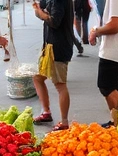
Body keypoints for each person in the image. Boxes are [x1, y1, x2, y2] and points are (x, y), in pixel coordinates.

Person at [90, 0, 118, 126]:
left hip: (114, 49)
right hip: (117, 48)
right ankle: (116, 121)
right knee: (111, 87)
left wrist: (96, 31)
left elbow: (116, 25)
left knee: (107, 86)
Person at [32, 0, 75, 129]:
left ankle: (64, 121)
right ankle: (46, 112)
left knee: (60, 85)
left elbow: (54, 22)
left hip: (57, 49)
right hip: (51, 47)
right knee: (38, 78)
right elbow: (47, 14)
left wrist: (39, 12)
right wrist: (39, 11)